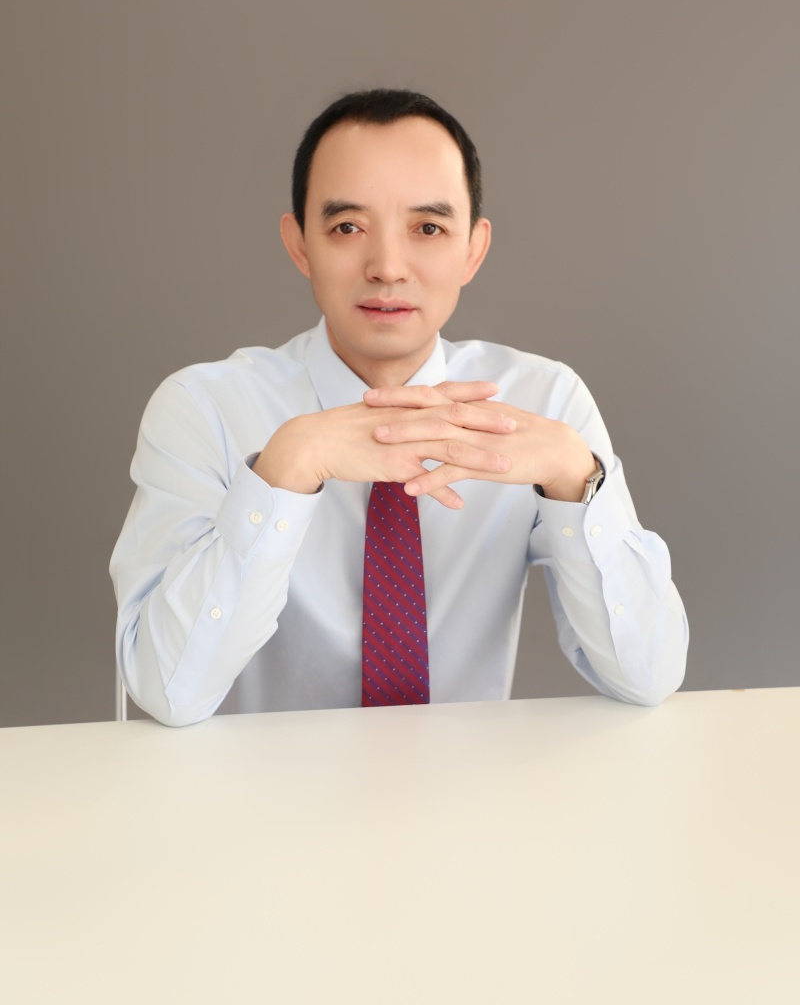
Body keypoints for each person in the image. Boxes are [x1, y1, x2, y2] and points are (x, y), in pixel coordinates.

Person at [111, 88, 689, 726]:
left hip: (470, 786)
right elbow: (168, 690)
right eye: (347, 227)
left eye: (428, 228)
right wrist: (285, 470)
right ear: (299, 244)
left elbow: (648, 676)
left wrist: (577, 481)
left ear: (473, 249)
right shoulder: (203, 410)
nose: (387, 267)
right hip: (260, 788)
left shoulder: (542, 403)